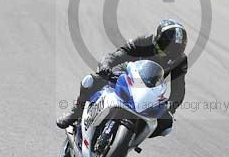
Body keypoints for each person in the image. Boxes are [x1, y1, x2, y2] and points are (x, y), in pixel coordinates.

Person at [57, 19, 188, 137]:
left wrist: (171, 105)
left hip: (150, 90)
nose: (170, 53)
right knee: (90, 81)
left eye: (175, 50)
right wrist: (106, 66)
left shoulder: (180, 60)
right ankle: (76, 112)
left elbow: (179, 89)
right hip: (125, 75)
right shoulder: (144, 42)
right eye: (168, 47)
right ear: (157, 40)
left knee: (166, 124)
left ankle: (130, 138)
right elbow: (117, 55)